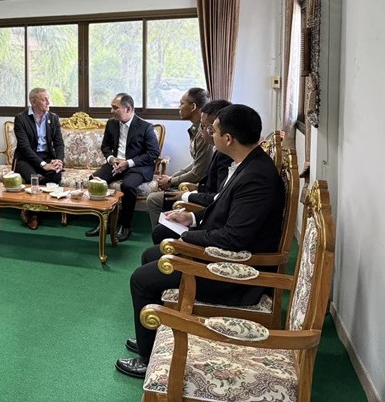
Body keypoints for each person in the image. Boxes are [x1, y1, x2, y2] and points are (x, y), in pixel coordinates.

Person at [115, 104, 285, 379]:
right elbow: (224, 208)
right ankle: (153, 332)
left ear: (227, 138)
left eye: (214, 131)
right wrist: (191, 220)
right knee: (151, 255)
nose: (211, 135)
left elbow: (234, 237)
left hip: (237, 275)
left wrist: (186, 238)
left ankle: (146, 359)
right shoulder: (249, 163)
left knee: (141, 279)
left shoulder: (256, 178)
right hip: (225, 255)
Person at [149, 99, 234, 245]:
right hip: (202, 195)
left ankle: (166, 245)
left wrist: (184, 193)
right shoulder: (218, 148)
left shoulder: (227, 155)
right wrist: (171, 179)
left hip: (209, 211)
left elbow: (201, 178)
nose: (204, 131)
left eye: (208, 128)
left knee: (154, 201)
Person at [86, 93, 160, 242]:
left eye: (115, 108)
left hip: (137, 166)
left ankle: (125, 226)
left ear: (127, 109)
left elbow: (153, 153)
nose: (111, 111)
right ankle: (104, 223)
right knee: (95, 180)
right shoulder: (111, 123)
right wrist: (111, 159)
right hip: (115, 163)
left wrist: (128, 162)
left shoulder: (145, 127)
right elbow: (105, 146)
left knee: (127, 186)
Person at [144, 89, 212, 227]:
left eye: (181, 104)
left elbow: (198, 173)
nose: (178, 108)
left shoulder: (205, 134)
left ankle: (162, 238)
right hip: (200, 185)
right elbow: (195, 163)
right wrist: (172, 178)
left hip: (203, 188)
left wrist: (171, 181)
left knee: (153, 199)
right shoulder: (196, 129)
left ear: (193, 107)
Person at [12, 87, 64, 230]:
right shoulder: (20, 119)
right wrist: (42, 165)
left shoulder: (53, 118)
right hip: (25, 159)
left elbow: (59, 143)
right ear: (33, 101)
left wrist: (58, 160)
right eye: (43, 99)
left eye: (48, 98)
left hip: (47, 156)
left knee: (56, 175)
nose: (48, 102)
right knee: (33, 178)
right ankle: (33, 214)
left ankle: (37, 210)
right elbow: (24, 147)